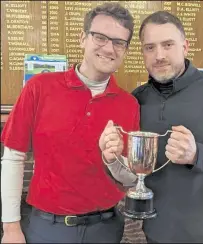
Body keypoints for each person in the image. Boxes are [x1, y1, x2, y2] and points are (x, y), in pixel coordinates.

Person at [99, 11, 203, 243]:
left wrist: (197, 154)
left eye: (168, 45)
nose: (159, 55)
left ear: (185, 47)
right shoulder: (137, 100)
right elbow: (129, 174)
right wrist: (112, 158)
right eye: (150, 47)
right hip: (156, 234)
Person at [1, 3, 140, 243]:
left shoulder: (129, 104)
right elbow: (14, 156)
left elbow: (130, 178)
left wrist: (113, 159)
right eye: (100, 37)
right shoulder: (39, 87)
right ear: (83, 38)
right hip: (47, 228)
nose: (109, 48)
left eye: (119, 42)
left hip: (106, 229)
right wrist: (11, 227)